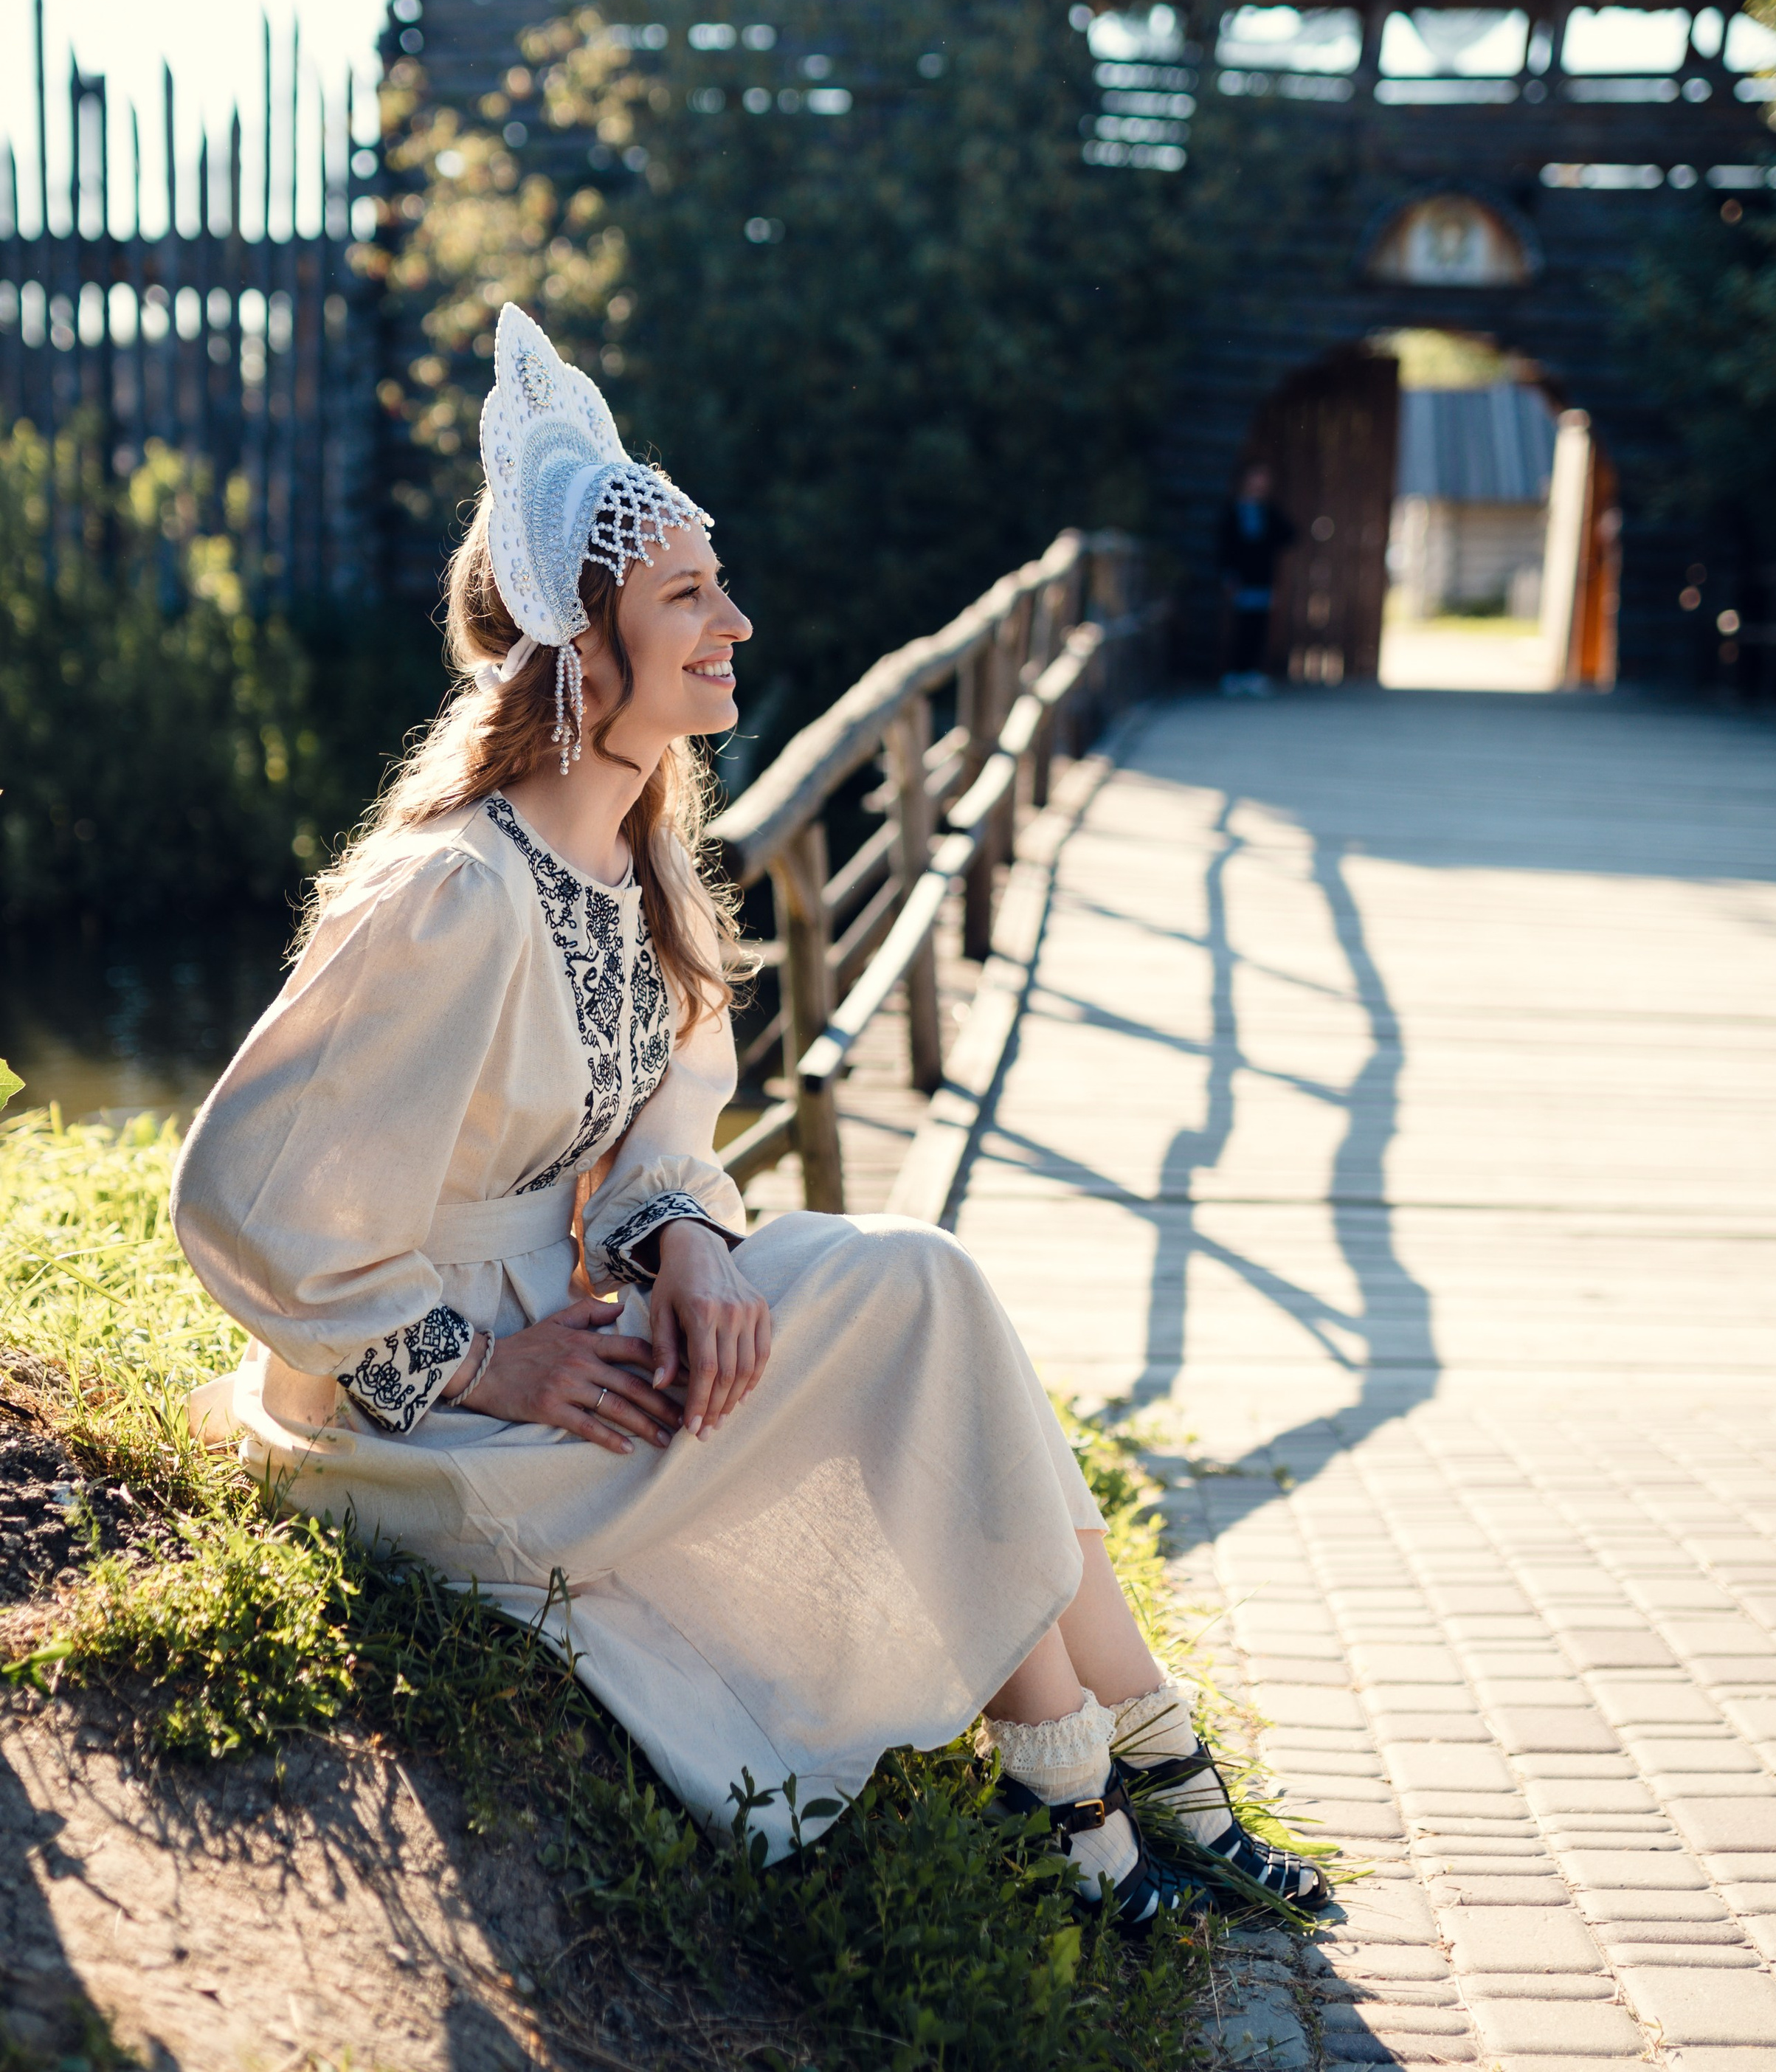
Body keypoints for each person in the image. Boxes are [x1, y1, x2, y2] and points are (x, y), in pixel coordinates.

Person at [171, 307, 1328, 1921]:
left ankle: (1119, 1787)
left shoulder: (633, 855)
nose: (737, 620)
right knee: (918, 1303)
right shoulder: (447, 889)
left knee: (924, 1293)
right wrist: (478, 1353)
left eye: (717, 584)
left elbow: (659, 1119)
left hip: (575, 1332)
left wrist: (693, 1240)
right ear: (584, 648)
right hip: (419, 1417)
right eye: (686, 594)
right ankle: (1101, 1800)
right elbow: (237, 1189)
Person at [1214, 459, 1297, 696]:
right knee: (1239, 625)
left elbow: (1289, 534)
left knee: (1258, 626)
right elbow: (1225, 546)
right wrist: (1228, 575)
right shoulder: (1234, 511)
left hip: (1263, 577)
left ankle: (1252, 672)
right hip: (1240, 578)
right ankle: (1234, 672)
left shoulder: (1269, 511)